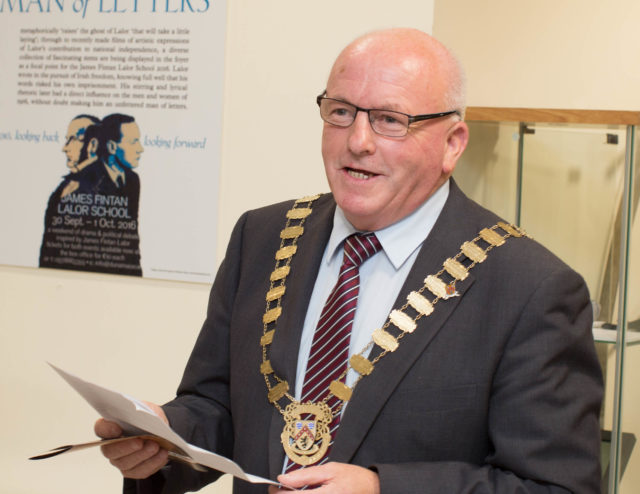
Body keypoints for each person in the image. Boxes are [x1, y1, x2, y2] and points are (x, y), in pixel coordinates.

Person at [96, 28, 603, 493]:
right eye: (341, 112)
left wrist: (385, 490)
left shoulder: (530, 287)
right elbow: (219, 408)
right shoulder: (264, 236)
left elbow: (556, 487)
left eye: (390, 121)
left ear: (453, 143)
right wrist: (163, 437)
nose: (357, 142)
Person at [39, 115, 100, 269]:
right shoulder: (64, 186)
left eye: (73, 139)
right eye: (67, 139)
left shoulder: (103, 188)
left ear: (93, 145)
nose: (65, 148)